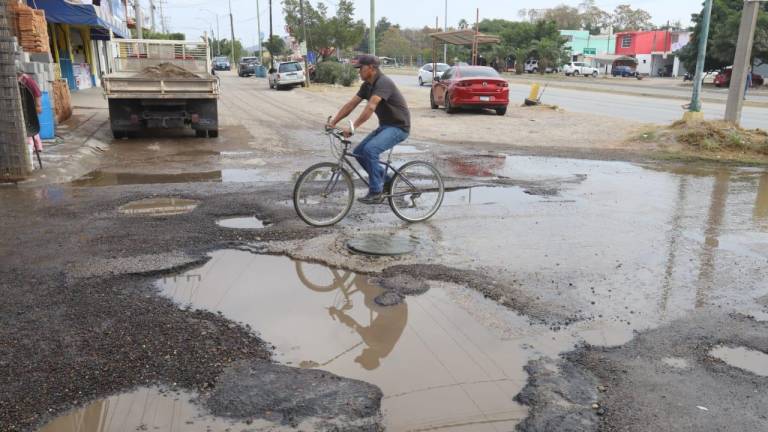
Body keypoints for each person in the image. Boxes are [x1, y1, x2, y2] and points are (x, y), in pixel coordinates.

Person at [328, 55, 411, 204]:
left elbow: (371, 106)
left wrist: (353, 127)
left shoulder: (383, 83)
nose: (358, 71)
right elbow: (351, 104)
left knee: (370, 150)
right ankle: (387, 180)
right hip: (385, 126)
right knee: (359, 153)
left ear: (371, 68)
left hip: (399, 127)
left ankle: (376, 191)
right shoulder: (367, 85)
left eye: (361, 68)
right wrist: (334, 122)